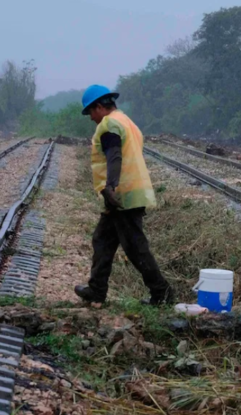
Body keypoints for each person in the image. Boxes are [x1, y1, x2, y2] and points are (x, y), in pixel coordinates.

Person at [73, 85, 173, 306]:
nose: (91, 118)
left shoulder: (110, 124)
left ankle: (162, 293)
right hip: (126, 193)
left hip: (122, 195)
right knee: (103, 239)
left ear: (99, 107)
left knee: (135, 247)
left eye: (90, 112)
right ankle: (96, 290)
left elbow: (114, 155)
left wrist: (110, 187)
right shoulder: (127, 122)